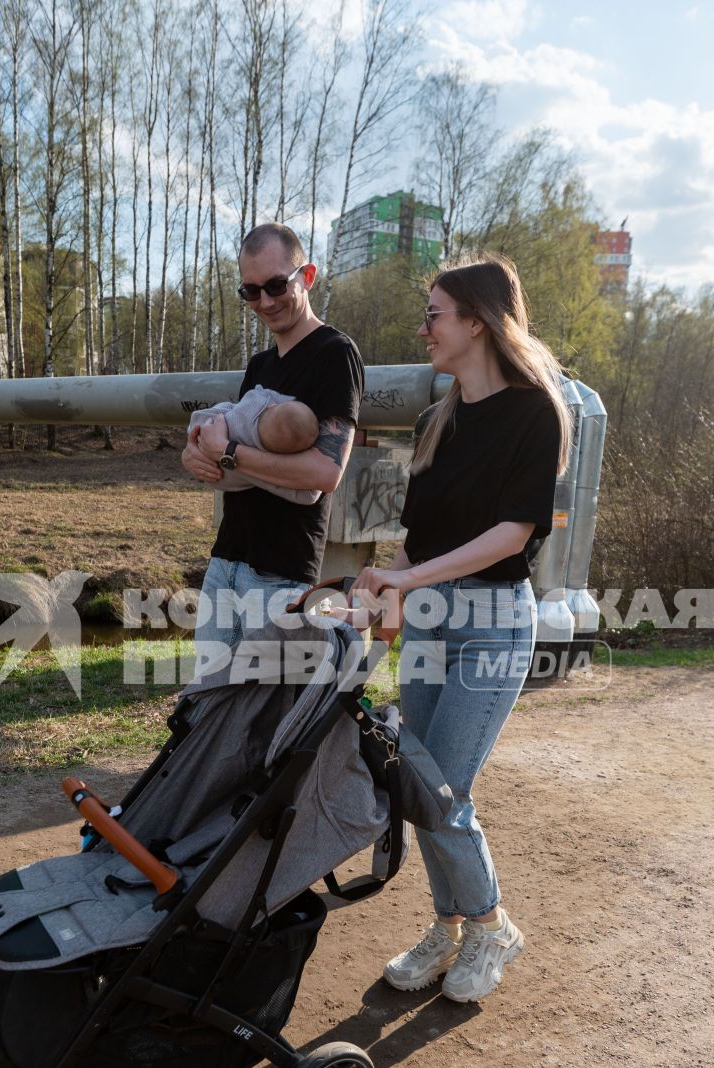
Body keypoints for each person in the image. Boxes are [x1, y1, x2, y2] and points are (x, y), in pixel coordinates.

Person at [352, 255, 570, 1004]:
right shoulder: (434, 420)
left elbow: (513, 534)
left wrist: (411, 581)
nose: (424, 328)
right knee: (420, 786)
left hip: (494, 623)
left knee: (442, 789)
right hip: (434, 622)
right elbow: (420, 538)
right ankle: (447, 928)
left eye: (434, 314)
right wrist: (381, 586)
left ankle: (490, 925)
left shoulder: (536, 412)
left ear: (476, 322)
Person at [183, 223, 362, 668]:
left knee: (266, 717)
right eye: (251, 291)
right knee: (209, 704)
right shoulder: (260, 365)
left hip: (280, 572)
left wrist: (228, 455)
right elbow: (225, 439)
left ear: (308, 276)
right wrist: (194, 452)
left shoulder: (335, 354)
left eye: (277, 285)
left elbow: (325, 473)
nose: (265, 301)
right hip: (227, 557)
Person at [187, 389, 325, 505]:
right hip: (223, 480)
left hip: (210, 439)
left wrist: (198, 442)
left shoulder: (255, 404)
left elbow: (260, 392)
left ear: (272, 405)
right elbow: (309, 495)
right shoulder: (267, 470)